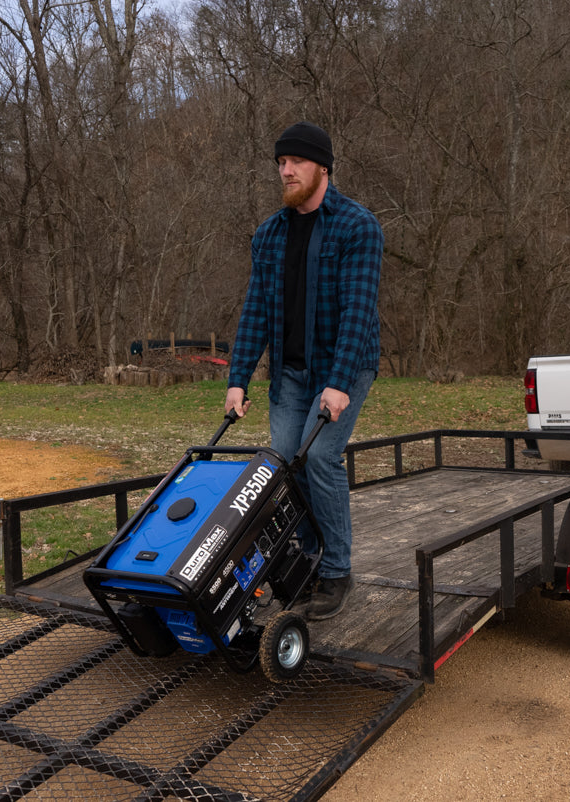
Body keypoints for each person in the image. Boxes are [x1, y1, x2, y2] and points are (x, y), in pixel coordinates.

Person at [225, 121, 383, 621]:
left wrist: (338, 384)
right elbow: (255, 310)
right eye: (280, 162)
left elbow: (358, 312)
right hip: (291, 373)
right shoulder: (270, 234)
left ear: (323, 168)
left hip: (343, 366)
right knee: (287, 465)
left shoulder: (357, 227)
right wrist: (238, 378)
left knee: (320, 458)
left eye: (295, 161)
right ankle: (311, 560)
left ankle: (336, 572)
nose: (286, 170)